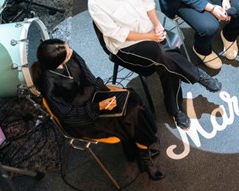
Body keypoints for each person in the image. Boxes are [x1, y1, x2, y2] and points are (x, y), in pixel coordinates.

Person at [85, 0, 222, 130]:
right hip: (127, 46)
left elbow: (147, 2)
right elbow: (117, 34)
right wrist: (150, 37)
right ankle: (197, 76)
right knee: (163, 53)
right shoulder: (95, 3)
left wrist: (157, 26)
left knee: (167, 60)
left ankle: (174, 109)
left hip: (151, 30)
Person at [31, 39, 164, 180]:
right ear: (57, 62)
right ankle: (144, 156)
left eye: (68, 47)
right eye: (67, 53)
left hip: (95, 97)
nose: (71, 51)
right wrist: (98, 107)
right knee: (132, 114)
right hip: (82, 118)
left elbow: (89, 77)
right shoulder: (49, 85)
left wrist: (106, 95)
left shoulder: (70, 54)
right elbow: (68, 116)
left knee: (132, 98)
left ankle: (139, 150)